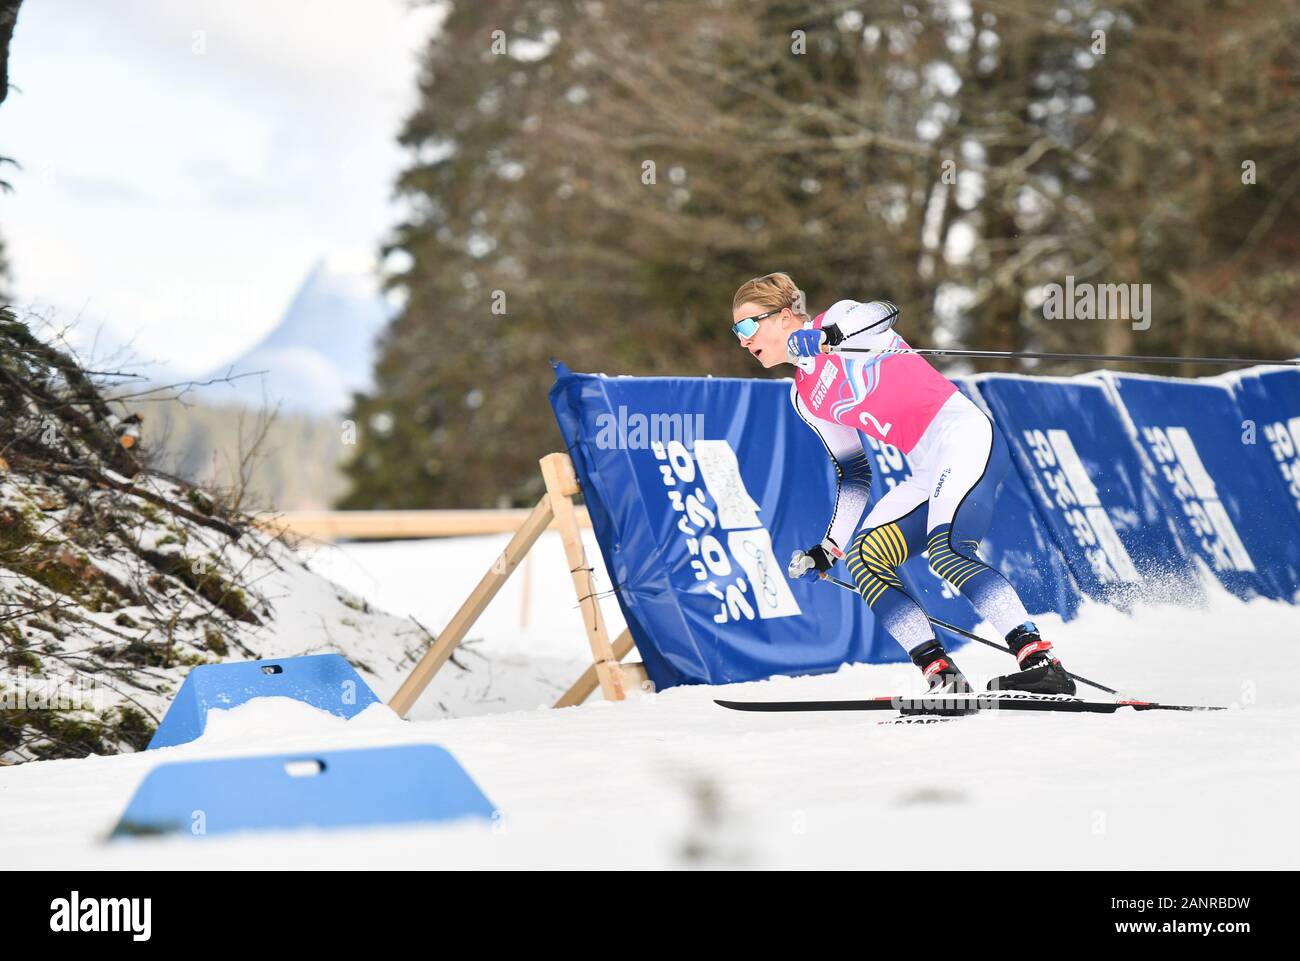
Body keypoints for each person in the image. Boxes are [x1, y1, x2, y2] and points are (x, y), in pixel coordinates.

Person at [730, 271, 1074, 695]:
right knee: (865, 560)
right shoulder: (803, 397)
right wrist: (828, 548)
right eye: (736, 331)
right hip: (928, 468)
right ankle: (943, 678)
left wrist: (829, 336)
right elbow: (854, 473)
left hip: (963, 437)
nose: (743, 340)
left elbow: (884, 313)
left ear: (784, 317)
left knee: (947, 553)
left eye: (747, 326)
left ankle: (1041, 661)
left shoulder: (838, 321)